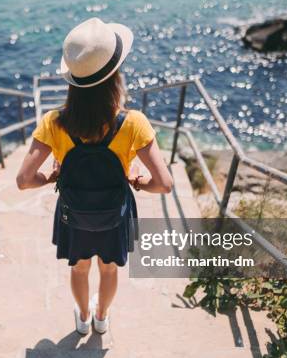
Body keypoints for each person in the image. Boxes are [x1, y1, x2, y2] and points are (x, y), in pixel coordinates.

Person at [16, 17, 173, 335]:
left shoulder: (53, 122)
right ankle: (102, 318)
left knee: (79, 267)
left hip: (74, 213)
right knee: (110, 268)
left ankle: (83, 319)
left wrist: (49, 177)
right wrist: (136, 180)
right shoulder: (134, 123)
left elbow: (23, 180)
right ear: (115, 76)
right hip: (115, 213)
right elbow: (164, 184)